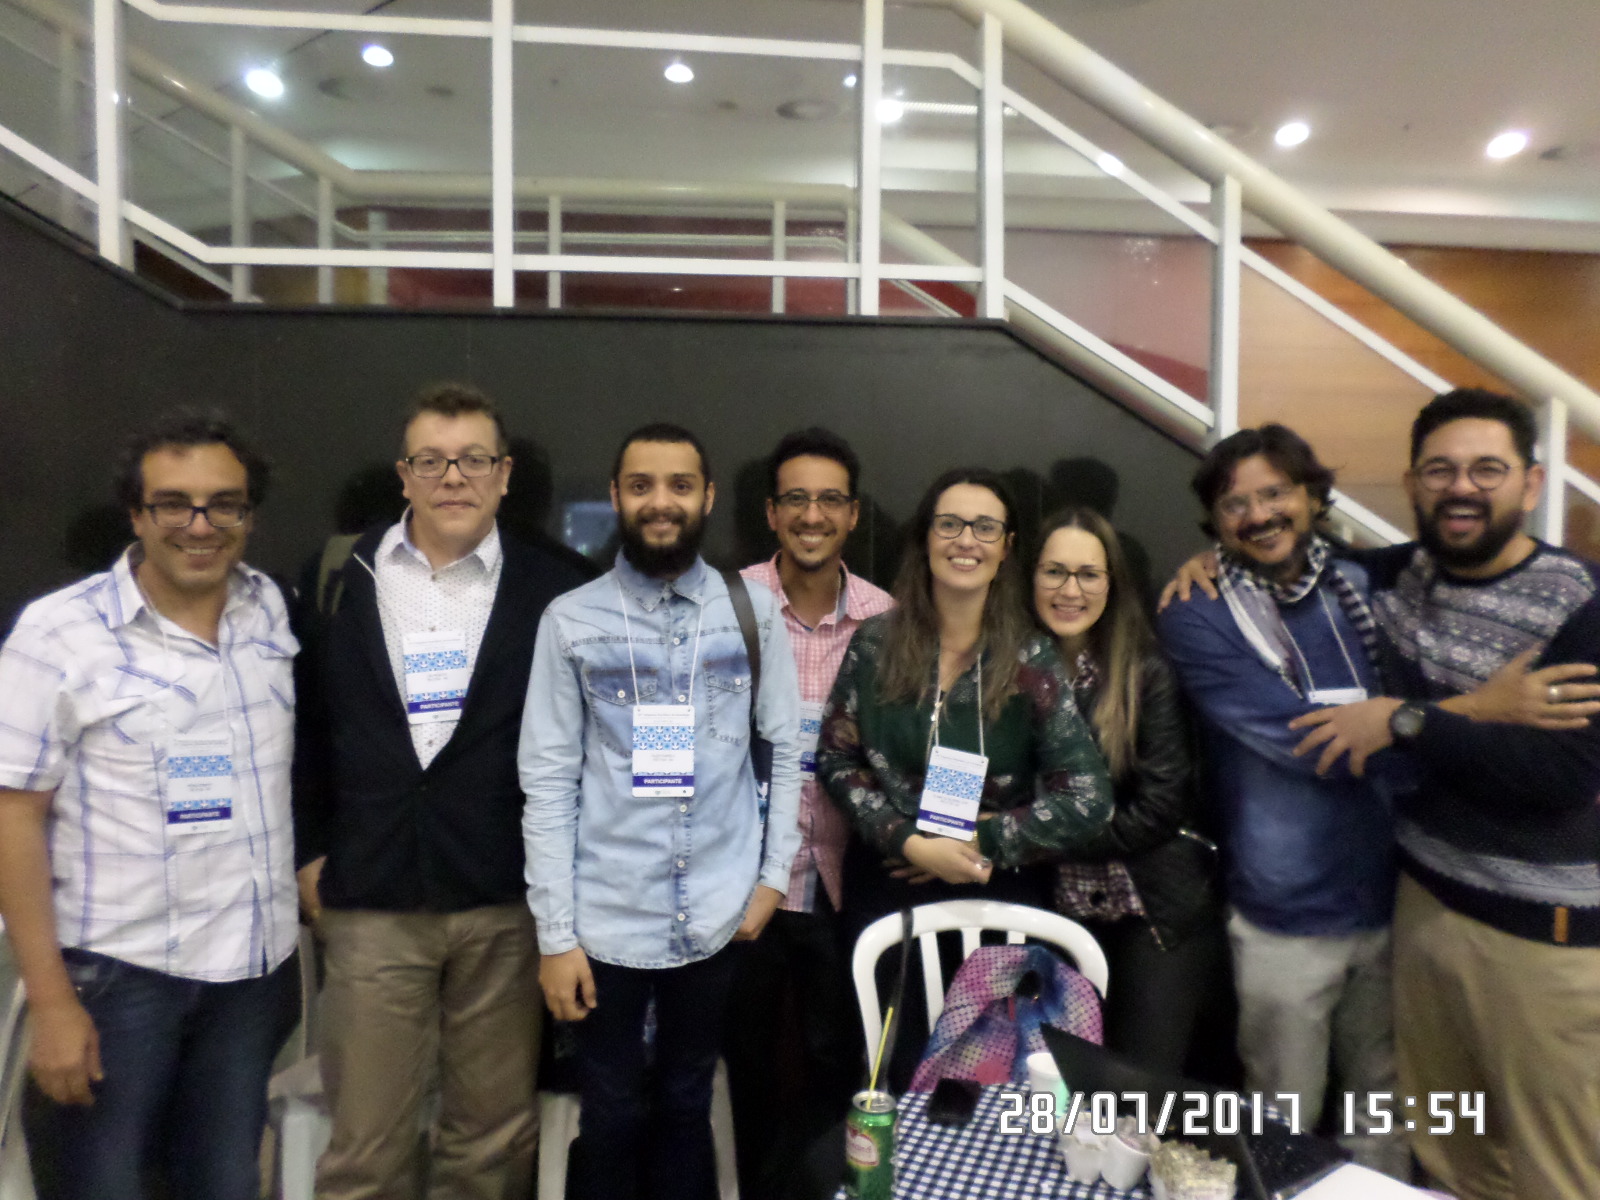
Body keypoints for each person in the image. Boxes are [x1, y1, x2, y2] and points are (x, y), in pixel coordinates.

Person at [1284, 389, 1600, 1200]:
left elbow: (1562, 777)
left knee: (1559, 1173)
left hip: (1541, 943)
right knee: (1452, 1160)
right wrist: (1209, 561)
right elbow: (1285, 555)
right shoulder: (1399, 578)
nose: (1462, 488)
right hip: (1424, 910)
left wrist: (1406, 721)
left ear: (1532, 483)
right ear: (1413, 483)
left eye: (1487, 469)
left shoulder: (1581, 603)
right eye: (1441, 470)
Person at [293, 383, 587, 1199]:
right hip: (372, 898)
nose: (453, 477)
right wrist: (309, 853)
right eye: (432, 461)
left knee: (489, 1144)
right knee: (365, 1147)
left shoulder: (556, 590)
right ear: (404, 474)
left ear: (505, 475)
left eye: (473, 460)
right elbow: (304, 729)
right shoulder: (338, 576)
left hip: (503, 902)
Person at [0, 411, 300, 1200]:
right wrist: (52, 1004)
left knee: (224, 1183)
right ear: (136, 514)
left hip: (248, 978)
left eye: (224, 504)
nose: (200, 525)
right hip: (116, 983)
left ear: (248, 515)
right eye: (173, 503)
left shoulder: (268, 610)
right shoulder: (57, 635)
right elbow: (12, 818)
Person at [519, 422, 802, 1200]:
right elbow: (547, 783)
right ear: (616, 497)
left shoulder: (754, 613)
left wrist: (772, 879)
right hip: (607, 919)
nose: (660, 502)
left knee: (685, 1101)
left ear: (707, 497)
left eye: (679, 485)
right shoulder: (570, 620)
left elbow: (784, 750)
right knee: (610, 1113)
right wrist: (555, 936)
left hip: (718, 912)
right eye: (641, 485)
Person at [1155, 425, 1406, 1174]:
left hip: (1397, 904)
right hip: (1284, 920)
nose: (1259, 515)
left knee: (1384, 1115)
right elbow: (1304, 742)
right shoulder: (1198, 612)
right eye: (1236, 504)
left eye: (1275, 493)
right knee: (1280, 1125)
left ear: (1313, 496)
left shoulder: (1366, 587)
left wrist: (1413, 727)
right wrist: (1436, 734)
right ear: (1214, 520)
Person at [816, 467, 1113, 1088]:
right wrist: (909, 841)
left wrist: (979, 841)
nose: (966, 541)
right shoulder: (875, 643)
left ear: (1007, 548)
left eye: (985, 528)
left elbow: (1089, 799)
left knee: (988, 1085)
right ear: (925, 537)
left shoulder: (1031, 658)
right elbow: (837, 759)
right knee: (891, 1078)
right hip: (889, 887)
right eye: (949, 524)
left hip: (994, 895)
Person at [724, 428, 893, 1199]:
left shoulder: (887, 620)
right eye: (796, 498)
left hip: (844, 880)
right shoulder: (724, 606)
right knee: (748, 1067)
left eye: (830, 500)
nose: (813, 515)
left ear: (853, 514)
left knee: (839, 1067)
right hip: (741, 887)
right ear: (771, 512)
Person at [1029, 507, 1222, 1075]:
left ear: (1111, 584)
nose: (1070, 591)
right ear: (1029, 578)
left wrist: (1031, 840)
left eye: (1088, 574)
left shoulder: (1145, 671)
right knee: (1053, 1088)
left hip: (1149, 905)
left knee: (1138, 1095)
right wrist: (936, 835)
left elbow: (1160, 808)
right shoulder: (1003, 668)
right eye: (1054, 572)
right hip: (1049, 910)